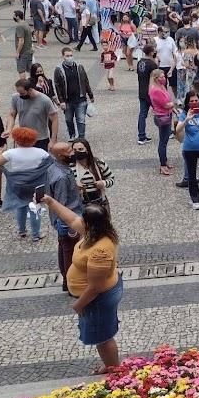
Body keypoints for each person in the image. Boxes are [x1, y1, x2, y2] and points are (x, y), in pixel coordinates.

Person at [42, 194, 123, 374]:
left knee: (103, 337)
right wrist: (51, 201)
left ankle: (114, 369)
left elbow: (95, 287)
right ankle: (111, 366)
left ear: (90, 224)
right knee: (103, 332)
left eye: (83, 219)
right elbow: (71, 218)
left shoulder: (100, 250)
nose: (80, 220)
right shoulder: (96, 231)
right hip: (96, 296)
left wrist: (79, 305)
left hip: (97, 298)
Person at [0, 126, 52, 240]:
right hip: (36, 185)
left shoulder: (11, 153)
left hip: (17, 185)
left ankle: (22, 231)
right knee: (35, 207)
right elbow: (50, 163)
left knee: (20, 207)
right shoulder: (41, 152)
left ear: (16, 139)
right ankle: (36, 234)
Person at [46, 142, 82, 292]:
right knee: (69, 251)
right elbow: (62, 204)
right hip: (68, 221)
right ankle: (70, 282)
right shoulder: (61, 176)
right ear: (60, 155)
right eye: (69, 151)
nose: (73, 153)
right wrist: (68, 224)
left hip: (63, 220)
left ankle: (66, 280)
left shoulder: (54, 168)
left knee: (63, 248)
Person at [5, 78, 59, 151]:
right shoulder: (16, 97)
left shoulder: (45, 100)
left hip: (40, 139)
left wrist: (53, 141)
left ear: (30, 90)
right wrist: (9, 129)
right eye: (18, 93)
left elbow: (55, 119)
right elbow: (12, 115)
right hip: (24, 137)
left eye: (22, 93)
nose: (20, 95)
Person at [53, 47, 95, 140]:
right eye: (67, 56)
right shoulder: (59, 69)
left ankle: (81, 137)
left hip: (80, 98)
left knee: (81, 120)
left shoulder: (79, 66)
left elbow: (85, 81)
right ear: (63, 56)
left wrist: (90, 95)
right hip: (67, 100)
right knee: (68, 119)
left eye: (71, 55)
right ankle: (72, 135)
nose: (70, 57)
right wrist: (61, 100)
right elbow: (57, 86)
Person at [71, 138, 114, 207]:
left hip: (100, 201)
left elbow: (111, 179)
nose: (77, 152)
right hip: (79, 204)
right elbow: (65, 186)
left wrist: (103, 183)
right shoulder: (70, 167)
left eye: (80, 149)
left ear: (87, 150)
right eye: (74, 150)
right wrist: (74, 185)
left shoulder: (99, 164)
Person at [148, 68, 176, 175]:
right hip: (162, 117)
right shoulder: (155, 90)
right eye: (162, 77)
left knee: (165, 141)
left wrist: (172, 106)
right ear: (156, 78)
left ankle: (164, 161)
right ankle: (163, 165)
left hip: (166, 115)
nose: (164, 78)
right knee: (163, 142)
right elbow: (166, 104)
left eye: (164, 76)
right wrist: (172, 104)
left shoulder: (161, 87)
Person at [136, 44, 158, 145]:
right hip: (151, 91)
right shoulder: (152, 64)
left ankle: (141, 136)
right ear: (151, 52)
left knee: (142, 114)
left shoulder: (140, 62)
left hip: (142, 91)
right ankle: (166, 130)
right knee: (160, 112)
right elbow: (156, 78)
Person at [13, 10, 34, 78]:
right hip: (29, 50)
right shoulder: (25, 23)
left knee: (21, 70)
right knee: (30, 69)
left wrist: (17, 52)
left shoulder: (19, 26)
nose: (13, 17)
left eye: (14, 15)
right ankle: (32, 82)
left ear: (17, 17)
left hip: (23, 52)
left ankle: (24, 86)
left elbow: (21, 40)